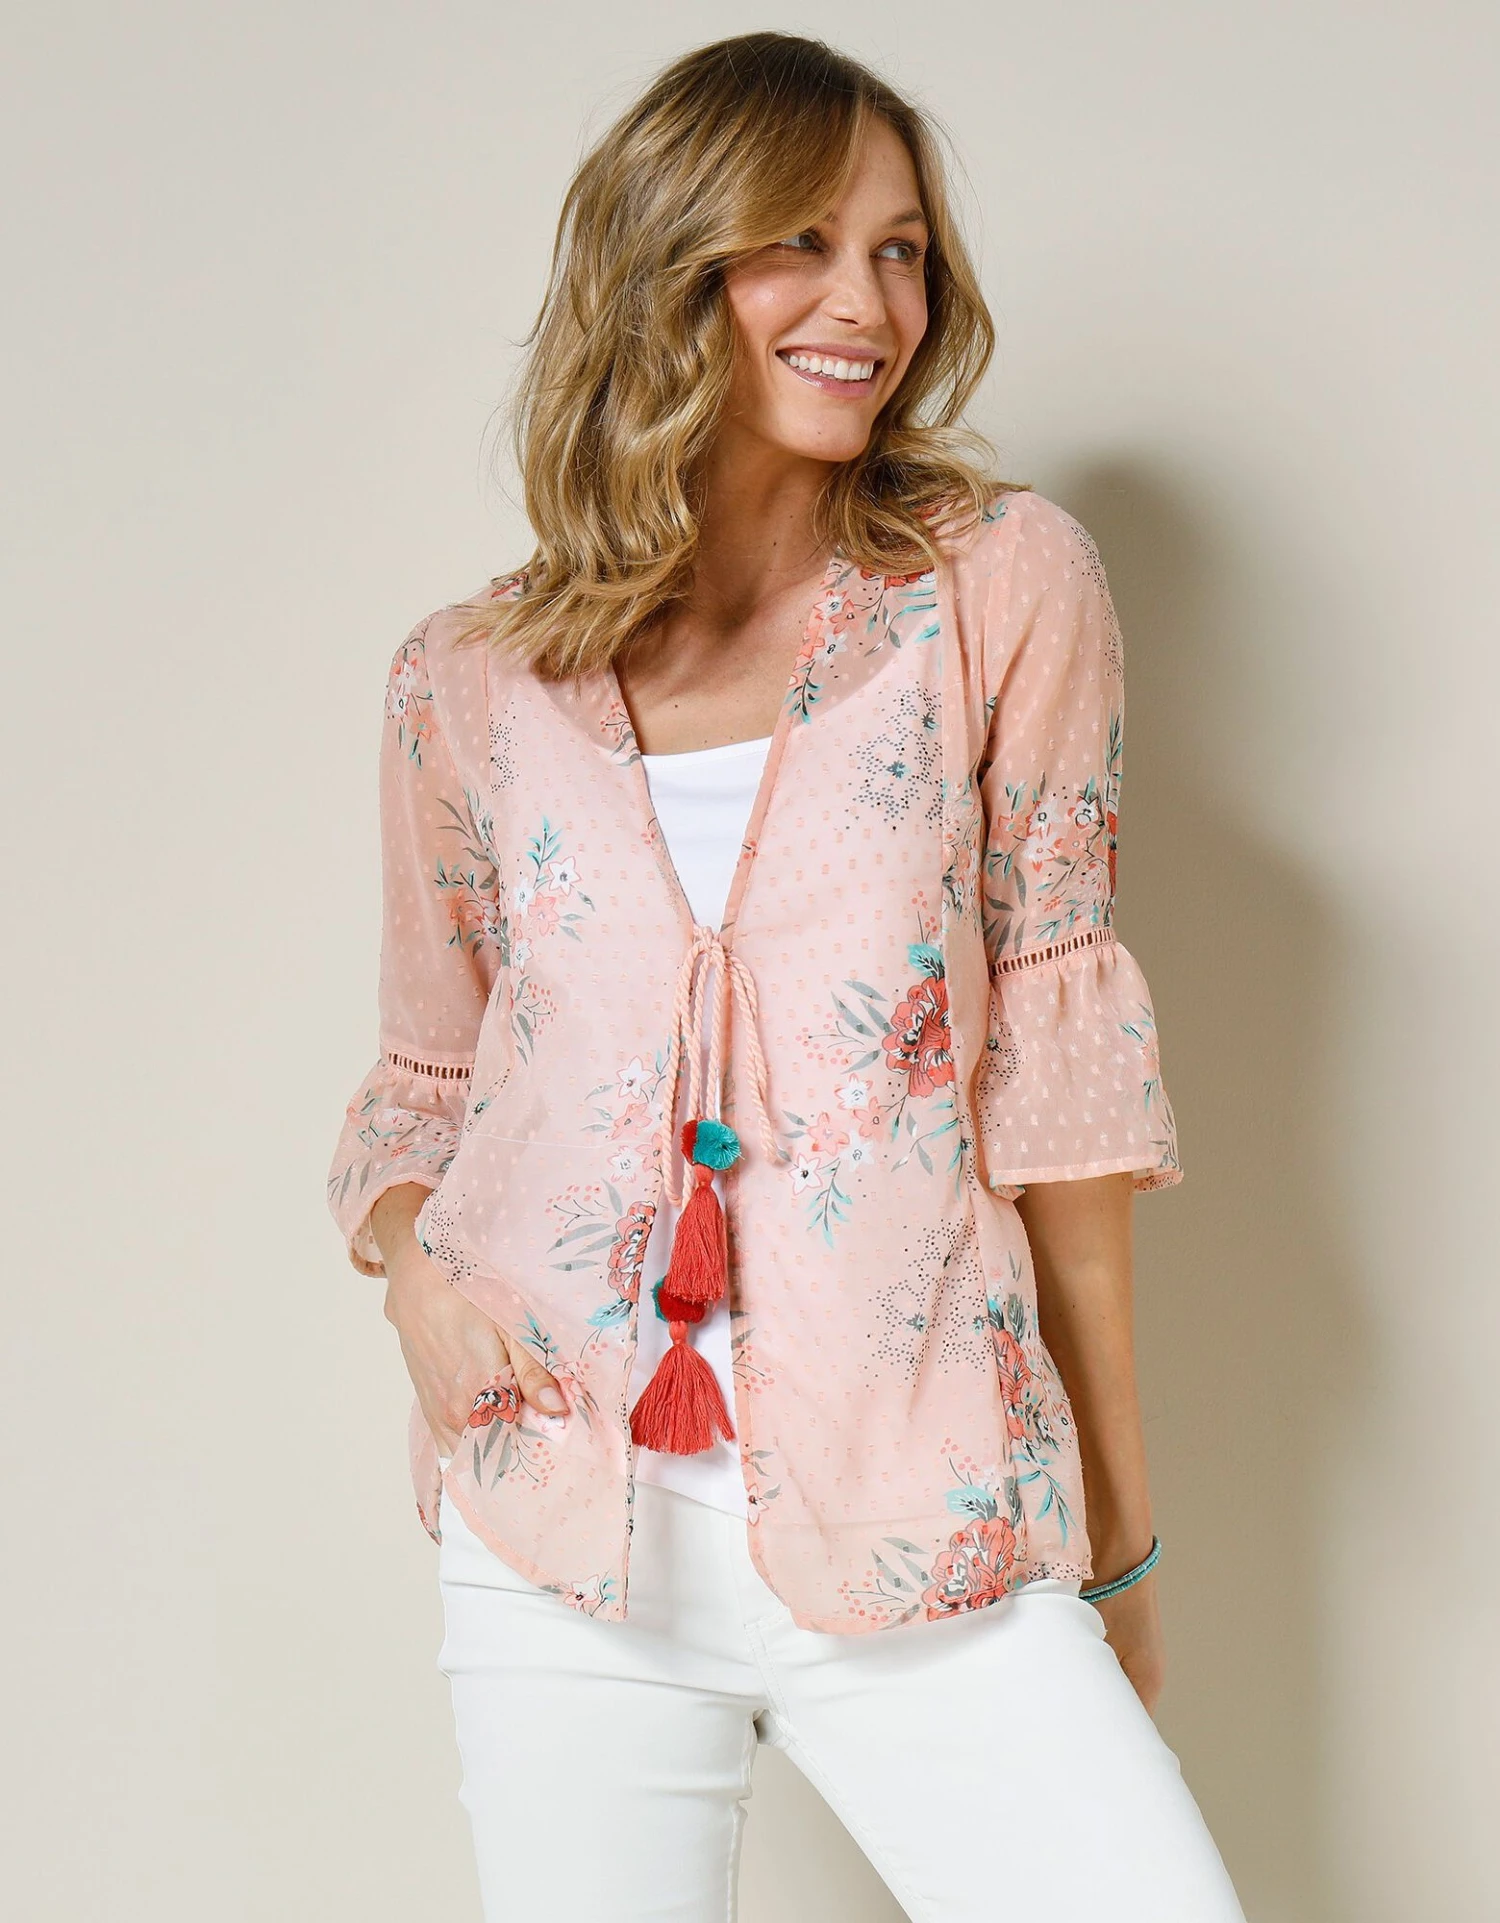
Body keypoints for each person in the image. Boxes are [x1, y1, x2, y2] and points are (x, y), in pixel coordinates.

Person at [326, 30, 1248, 1923]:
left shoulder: (999, 590)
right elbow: (425, 1084)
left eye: (902, 251)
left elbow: (1058, 1087)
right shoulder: (467, 683)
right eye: (802, 244)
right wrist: (413, 1277)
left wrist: (1117, 1542)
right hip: (557, 1517)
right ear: (669, 270)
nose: (869, 304)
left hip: (922, 1491)